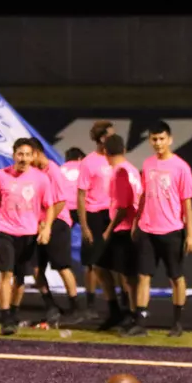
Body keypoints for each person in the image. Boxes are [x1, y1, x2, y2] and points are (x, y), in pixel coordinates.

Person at [125, 121, 192, 337]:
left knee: (175, 277)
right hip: (148, 229)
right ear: (150, 141)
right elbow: (144, 195)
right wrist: (137, 221)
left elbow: (187, 203)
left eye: (161, 139)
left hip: (172, 229)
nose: (158, 143)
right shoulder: (147, 164)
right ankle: (140, 321)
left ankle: (177, 323)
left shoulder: (181, 167)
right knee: (143, 276)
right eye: (154, 139)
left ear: (170, 140)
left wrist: (191, 234)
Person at [0, 138, 55, 335]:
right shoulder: (0, 176)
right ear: (14, 155)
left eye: (27, 154)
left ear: (32, 157)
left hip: (28, 234)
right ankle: (5, 319)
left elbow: (50, 206)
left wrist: (46, 228)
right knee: (6, 274)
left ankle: (13, 313)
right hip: (4, 230)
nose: (23, 158)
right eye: (20, 154)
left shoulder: (41, 179)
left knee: (20, 279)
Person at [28, 138, 80, 325]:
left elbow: (61, 202)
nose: (27, 159)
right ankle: (50, 306)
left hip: (57, 222)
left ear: (37, 152)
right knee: (36, 267)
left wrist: (47, 224)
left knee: (62, 266)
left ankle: (75, 307)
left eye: (29, 155)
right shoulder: (32, 173)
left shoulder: (53, 170)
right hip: (38, 224)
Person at [96, 134, 142, 331]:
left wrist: (108, 229)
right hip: (129, 226)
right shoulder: (131, 169)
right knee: (106, 268)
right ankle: (123, 312)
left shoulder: (120, 172)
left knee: (127, 275)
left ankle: (128, 314)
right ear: (123, 150)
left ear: (105, 152)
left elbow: (123, 206)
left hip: (123, 228)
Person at [77, 121, 118, 319]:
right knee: (92, 263)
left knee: (116, 262)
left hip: (113, 215)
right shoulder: (89, 162)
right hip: (94, 215)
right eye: (111, 135)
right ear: (102, 138)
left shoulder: (116, 159)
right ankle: (91, 305)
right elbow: (81, 196)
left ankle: (121, 305)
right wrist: (84, 226)